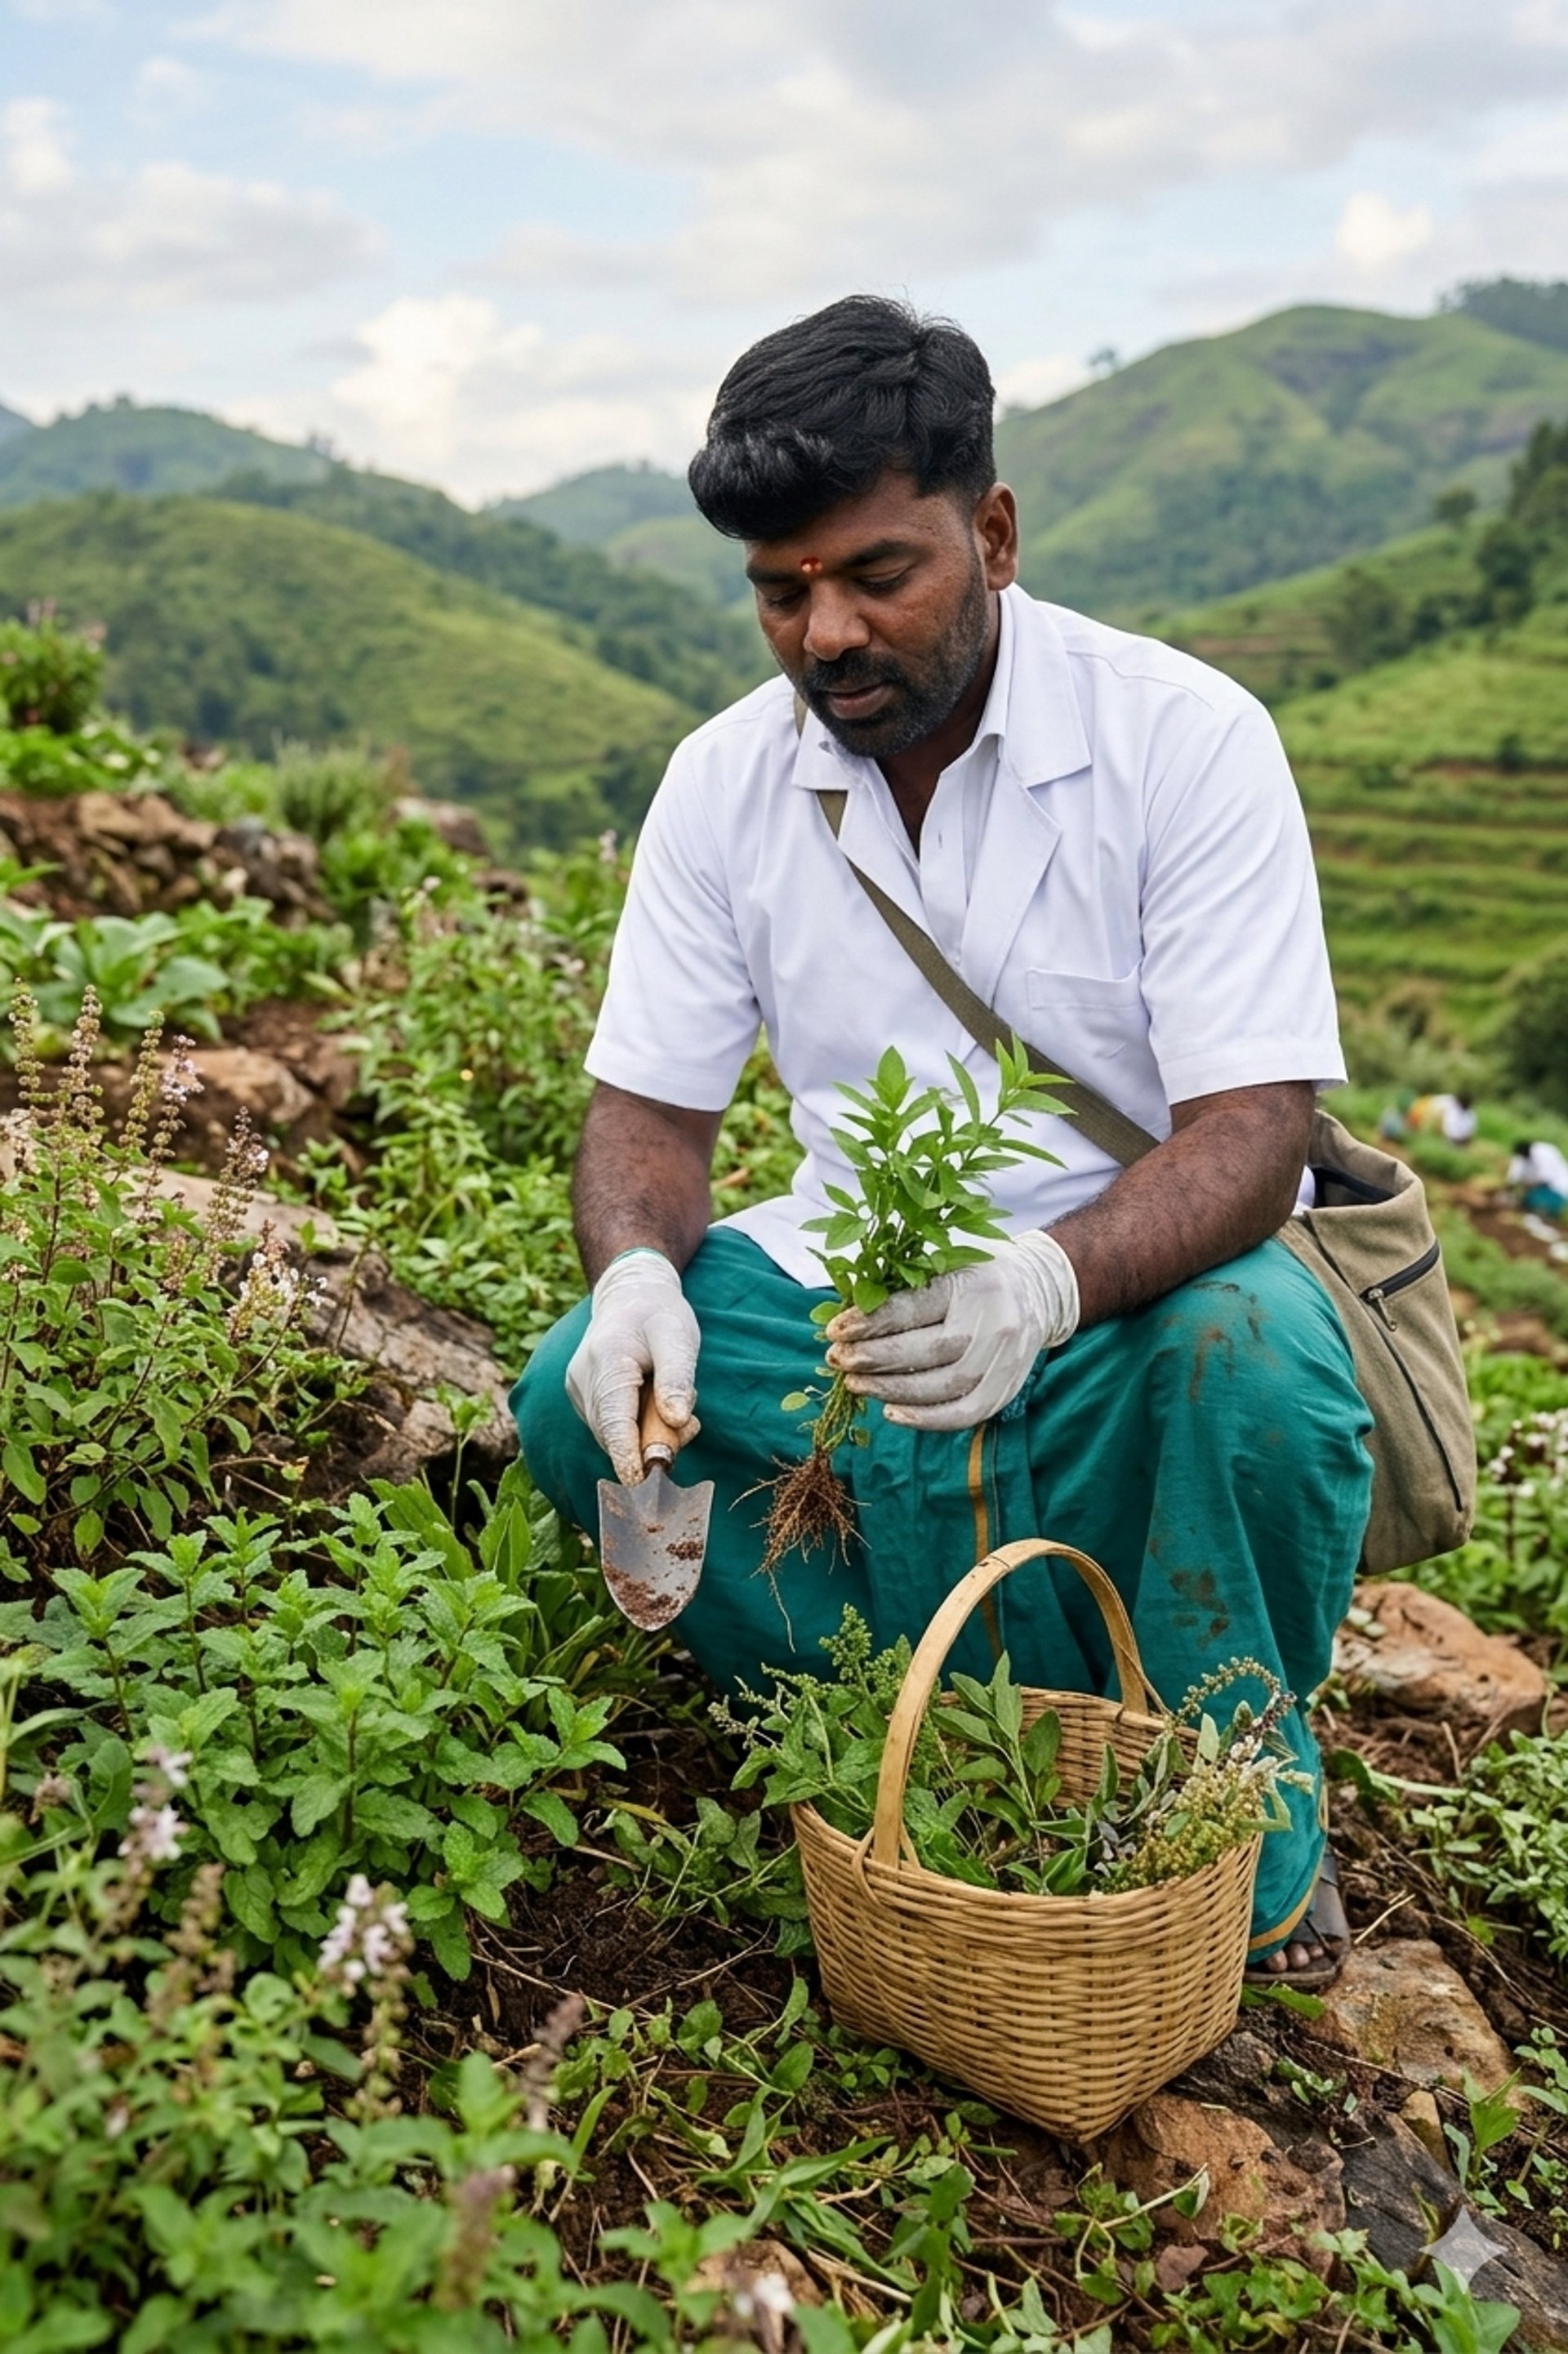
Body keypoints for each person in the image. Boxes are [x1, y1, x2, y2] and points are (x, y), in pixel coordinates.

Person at [514, 296, 1372, 1990]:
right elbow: (650, 1112)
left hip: (1122, 1284)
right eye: (780, 591)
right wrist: (633, 1277)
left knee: (1254, 1365)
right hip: (851, 1283)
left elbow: (1255, 1132)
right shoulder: (725, 784)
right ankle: (920, 1747)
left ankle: (1220, 1804)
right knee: (574, 1405)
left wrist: (1047, 1285)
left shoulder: (1183, 742)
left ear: (992, 532)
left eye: (874, 574)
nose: (825, 631)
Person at [1508, 1139, 1568, 1219]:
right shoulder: (1522, 1156)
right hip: (1539, 1186)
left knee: (1543, 1203)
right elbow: (1515, 1173)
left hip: (1556, 1187)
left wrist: (1527, 1185)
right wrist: (1511, 1185)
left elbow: (1546, 1177)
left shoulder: (1544, 1153)